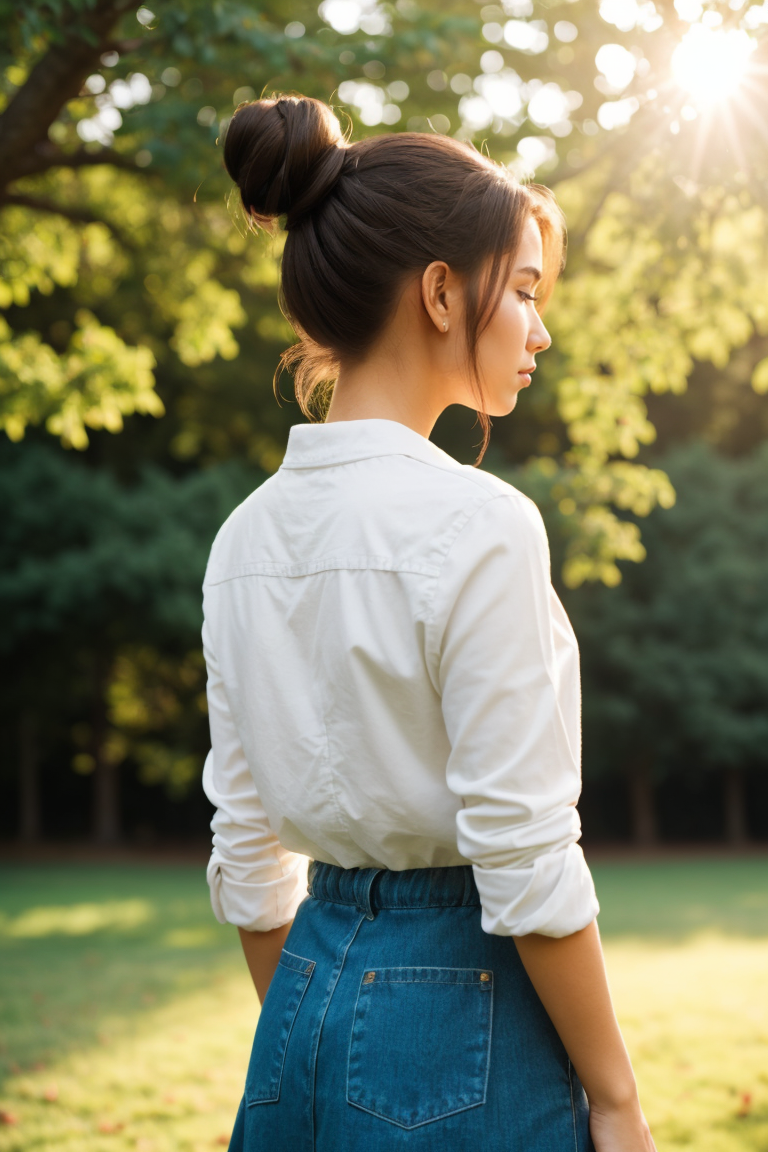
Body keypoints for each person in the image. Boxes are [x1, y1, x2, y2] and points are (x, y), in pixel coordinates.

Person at [201, 93, 656, 1152]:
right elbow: (527, 862)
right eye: (526, 292)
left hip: (295, 1019)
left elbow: (250, 860)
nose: (540, 327)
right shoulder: (483, 522)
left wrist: (317, 1028)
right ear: (443, 293)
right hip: (467, 1024)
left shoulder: (241, 540)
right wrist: (620, 1101)